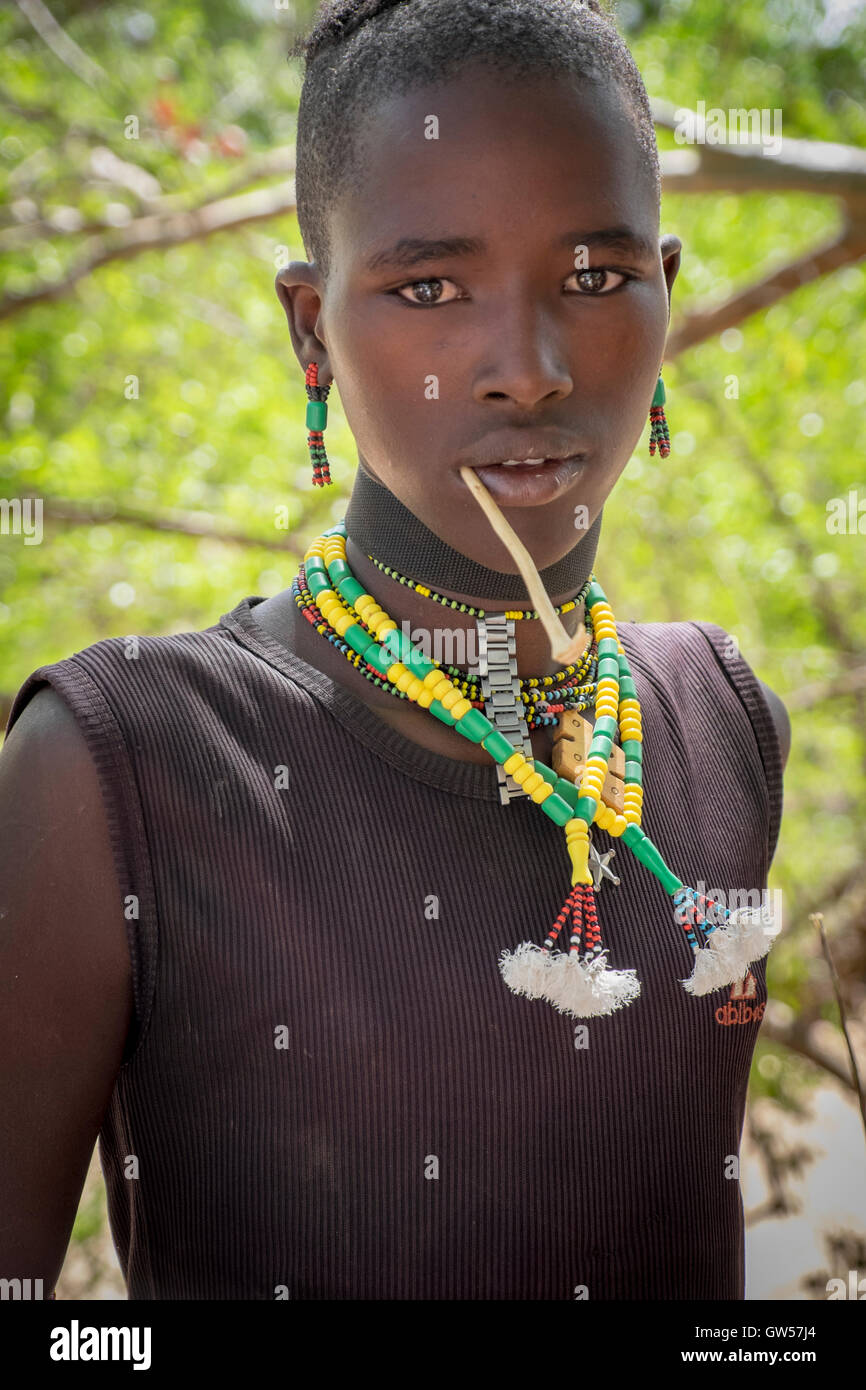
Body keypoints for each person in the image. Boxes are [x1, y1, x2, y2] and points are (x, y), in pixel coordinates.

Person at [0, 0, 790, 1300]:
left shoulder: (717, 719)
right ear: (311, 330)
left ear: (666, 288)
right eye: (429, 286)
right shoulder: (118, 765)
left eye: (594, 276)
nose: (526, 370)